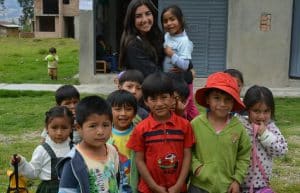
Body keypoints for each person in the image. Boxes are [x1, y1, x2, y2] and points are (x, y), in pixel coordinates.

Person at [127, 72, 195, 193]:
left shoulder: (185, 126)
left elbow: (187, 156)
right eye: (153, 99)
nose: (159, 103)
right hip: (149, 189)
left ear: (173, 98)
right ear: (146, 101)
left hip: (177, 189)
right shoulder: (141, 129)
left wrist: (179, 184)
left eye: (164, 97)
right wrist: (154, 187)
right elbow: (139, 160)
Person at [189, 72, 251, 193]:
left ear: (233, 101)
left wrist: (237, 179)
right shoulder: (195, 124)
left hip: (227, 187)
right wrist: (197, 168)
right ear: (208, 99)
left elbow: (244, 156)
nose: (222, 104)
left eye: (227, 99)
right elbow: (188, 150)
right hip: (199, 186)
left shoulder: (238, 127)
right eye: (216, 98)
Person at [57, 96, 119, 193]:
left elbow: (116, 179)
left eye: (106, 125)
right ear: (78, 128)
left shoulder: (112, 150)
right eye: (93, 126)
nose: (100, 131)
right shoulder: (73, 162)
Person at [237, 85, 288, 193]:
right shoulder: (239, 126)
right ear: (247, 109)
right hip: (238, 183)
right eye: (256, 111)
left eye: (266, 111)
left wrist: (265, 135)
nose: (261, 116)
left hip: (261, 185)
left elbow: (282, 151)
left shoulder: (270, 128)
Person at [10, 106, 74, 193]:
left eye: (64, 128)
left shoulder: (76, 149)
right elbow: (33, 173)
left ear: (71, 128)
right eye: (54, 128)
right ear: (47, 128)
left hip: (72, 189)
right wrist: (21, 163)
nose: (59, 133)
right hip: (49, 190)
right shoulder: (42, 150)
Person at [161, 5, 199, 121]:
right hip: (171, 79)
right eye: (165, 21)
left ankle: (192, 125)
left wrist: (172, 54)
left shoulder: (184, 41)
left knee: (186, 105)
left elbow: (185, 65)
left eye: (172, 19)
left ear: (180, 20)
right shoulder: (167, 36)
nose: (169, 23)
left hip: (183, 81)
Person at [119, 0, 164, 77]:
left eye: (148, 14)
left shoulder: (156, 36)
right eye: (138, 16)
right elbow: (154, 76)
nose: (145, 20)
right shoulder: (133, 44)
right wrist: (187, 75)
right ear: (132, 20)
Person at [107, 90, 138, 193]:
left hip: (133, 185)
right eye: (117, 109)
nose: (123, 113)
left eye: (128, 109)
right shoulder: (105, 134)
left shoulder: (139, 133)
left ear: (134, 113)